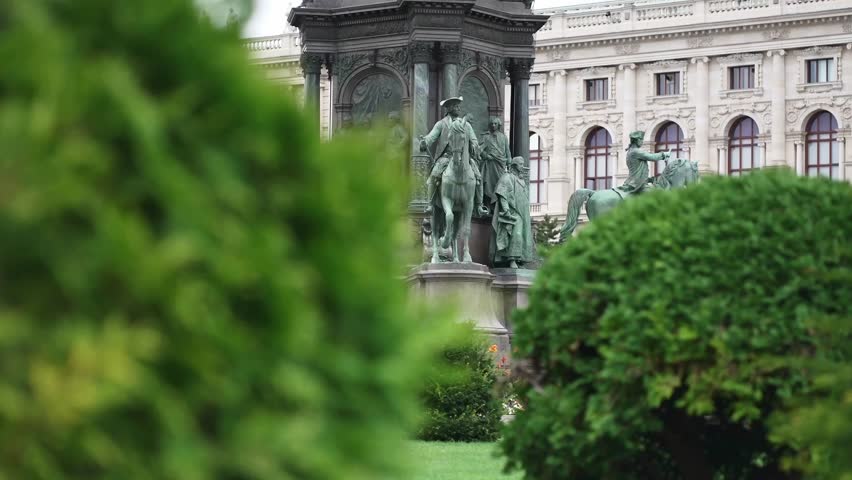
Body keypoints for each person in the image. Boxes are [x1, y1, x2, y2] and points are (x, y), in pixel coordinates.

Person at [419, 96, 487, 216]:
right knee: (434, 176)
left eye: (459, 106)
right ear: (449, 108)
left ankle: (480, 206)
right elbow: (431, 137)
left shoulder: (466, 125)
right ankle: (430, 204)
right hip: (446, 157)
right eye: (455, 106)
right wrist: (425, 142)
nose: (458, 108)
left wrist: (475, 146)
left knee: (478, 177)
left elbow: (473, 139)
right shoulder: (441, 124)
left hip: (464, 157)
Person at [491, 156, 534, 268]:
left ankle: (520, 259)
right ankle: (511, 259)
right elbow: (502, 194)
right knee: (517, 234)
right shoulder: (507, 177)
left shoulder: (522, 180)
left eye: (523, 164)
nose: (523, 166)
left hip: (523, 212)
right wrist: (506, 210)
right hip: (513, 212)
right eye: (520, 164)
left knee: (524, 235)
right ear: (514, 165)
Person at [618, 130, 671, 196]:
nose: (642, 142)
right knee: (658, 196)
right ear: (636, 140)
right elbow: (651, 157)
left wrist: (648, 180)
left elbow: (636, 171)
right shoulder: (636, 152)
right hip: (638, 184)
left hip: (635, 182)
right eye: (641, 140)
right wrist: (664, 154)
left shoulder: (631, 151)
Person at [478, 116, 511, 207]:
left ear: (498, 125)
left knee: (500, 184)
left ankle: (498, 205)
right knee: (488, 184)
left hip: (500, 164)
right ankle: (488, 205)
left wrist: (509, 161)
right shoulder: (486, 137)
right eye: (492, 123)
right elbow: (479, 149)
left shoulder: (503, 137)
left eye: (495, 124)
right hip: (489, 164)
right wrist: (486, 155)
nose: (493, 125)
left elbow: (507, 151)